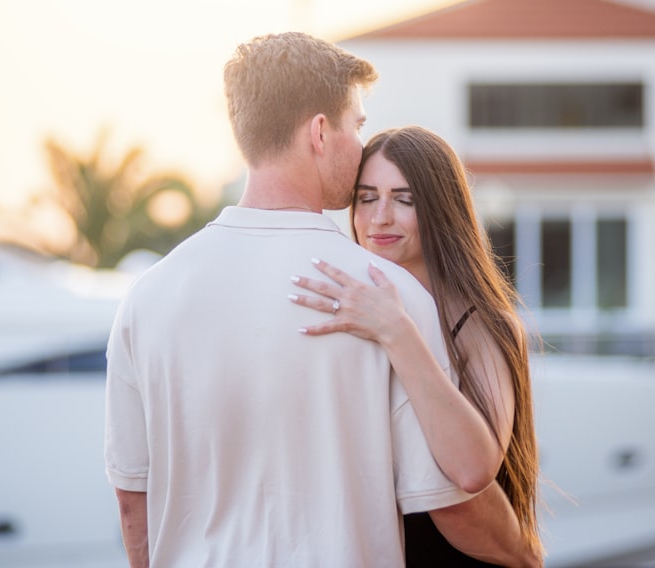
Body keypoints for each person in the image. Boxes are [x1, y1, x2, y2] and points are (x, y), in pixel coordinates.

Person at [104, 33, 536, 567]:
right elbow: (454, 499)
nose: (360, 145)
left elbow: (132, 504)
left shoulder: (147, 297)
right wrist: (525, 555)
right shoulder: (387, 294)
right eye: (357, 125)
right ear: (320, 132)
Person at [289, 125, 543, 566]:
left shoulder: (485, 325)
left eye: (404, 200)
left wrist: (397, 332)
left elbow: (470, 471)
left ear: (442, 210)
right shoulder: (345, 308)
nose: (380, 217)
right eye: (366, 198)